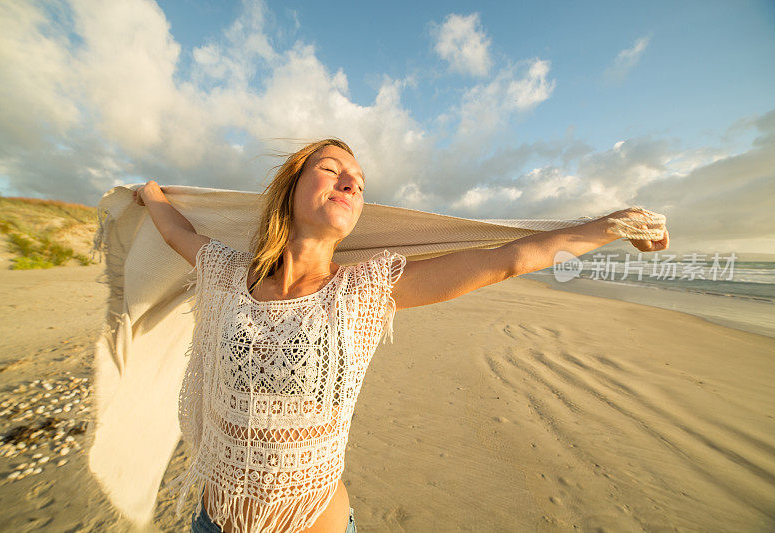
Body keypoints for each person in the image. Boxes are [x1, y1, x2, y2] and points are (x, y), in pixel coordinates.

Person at [132, 138, 669, 533]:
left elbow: (507, 258)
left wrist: (614, 226)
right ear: (291, 187)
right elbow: (178, 229)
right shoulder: (226, 274)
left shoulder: (365, 291)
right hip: (214, 521)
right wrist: (147, 191)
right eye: (331, 169)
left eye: (359, 184)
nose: (350, 182)